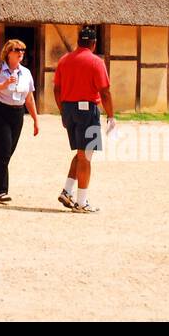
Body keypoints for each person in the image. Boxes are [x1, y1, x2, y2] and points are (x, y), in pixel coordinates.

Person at [54, 26, 114, 213]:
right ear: (94, 44)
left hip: (69, 109)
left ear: (78, 41)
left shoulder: (64, 60)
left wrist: (63, 110)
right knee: (86, 156)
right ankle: (81, 202)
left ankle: (67, 191)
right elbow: (104, 91)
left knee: (81, 153)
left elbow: (56, 89)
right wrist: (111, 115)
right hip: (87, 110)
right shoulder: (96, 62)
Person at [0, 39, 39, 203]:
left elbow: (29, 98)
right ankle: (0, 191)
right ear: (8, 52)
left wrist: (35, 119)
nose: (21, 53)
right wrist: (4, 84)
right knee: (3, 151)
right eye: (17, 50)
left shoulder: (26, 73)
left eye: (23, 50)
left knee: (4, 153)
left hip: (17, 113)